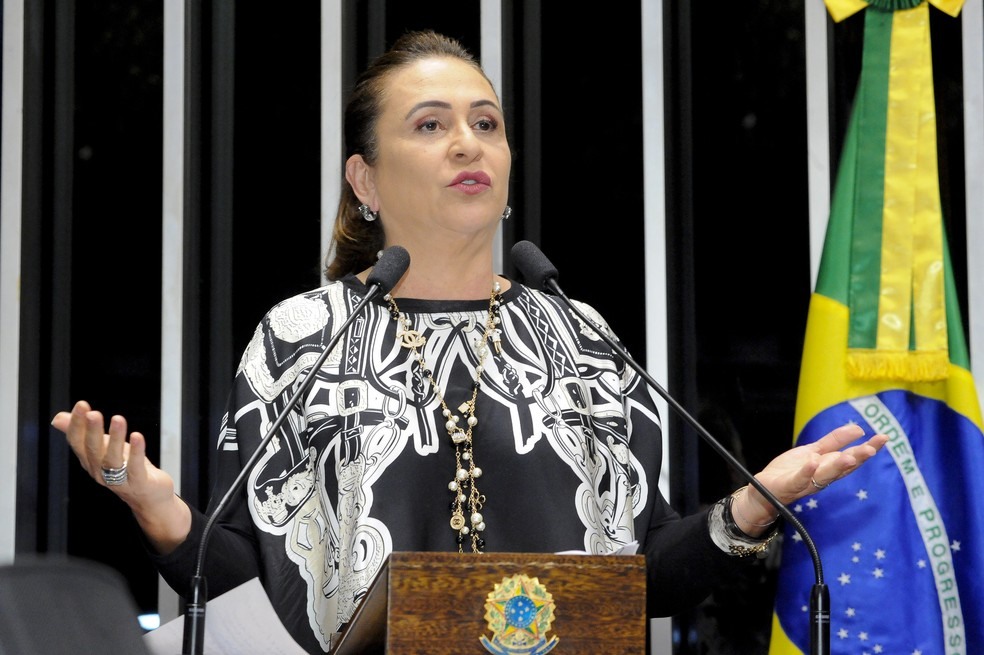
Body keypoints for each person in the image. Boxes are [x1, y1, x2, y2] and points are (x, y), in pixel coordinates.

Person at [51, 29, 889, 654]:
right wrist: (154, 505)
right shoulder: (303, 336)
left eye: (485, 122)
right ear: (366, 180)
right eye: (430, 125)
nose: (467, 143)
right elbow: (247, 573)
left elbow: (644, 572)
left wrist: (749, 505)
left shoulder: (580, 333)